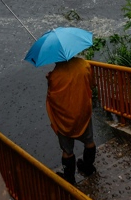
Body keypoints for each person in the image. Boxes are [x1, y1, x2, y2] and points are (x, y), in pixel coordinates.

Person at [45, 56, 96, 185]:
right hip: (82, 111)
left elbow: (52, 97)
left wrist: (49, 81)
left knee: (67, 151)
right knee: (89, 141)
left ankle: (70, 179)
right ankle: (88, 168)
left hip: (64, 118)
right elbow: (91, 84)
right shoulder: (83, 64)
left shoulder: (55, 75)